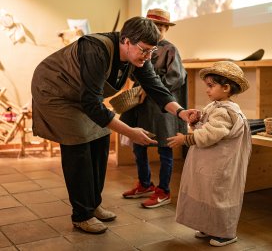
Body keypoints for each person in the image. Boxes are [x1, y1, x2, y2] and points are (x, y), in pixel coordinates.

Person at [31, 16, 197, 234]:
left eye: (151, 52)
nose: (148, 57)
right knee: (78, 146)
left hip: (81, 97)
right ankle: (82, 215)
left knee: (100, 139)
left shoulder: (138, 57)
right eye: (144, 51)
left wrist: (182, 112)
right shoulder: (95, 50)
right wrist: (130, 132)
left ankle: (93, 204)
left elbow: (155, 87)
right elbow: (92, 104)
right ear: (126, 41)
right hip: (54, 91)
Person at [167, 61, 252, 247]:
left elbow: (212, 134)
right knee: (206, 192)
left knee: (218, 195)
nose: (207, 90)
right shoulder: (215, 106)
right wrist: (196, 120)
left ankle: (225, 232)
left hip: (220, 163)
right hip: (211, 161)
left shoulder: (224, 110)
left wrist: (187, 139)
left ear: (226, 87)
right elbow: (206, 127)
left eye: (211, 86)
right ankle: (208, 225)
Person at [121, 8, 188, 208]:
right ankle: (144, 183)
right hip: (141, 106)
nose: (157, 30)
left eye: (160, 26)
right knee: (139, 143)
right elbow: (134, 72)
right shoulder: (138, 46)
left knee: (164, 148)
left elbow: (177, 77)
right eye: (153, 25)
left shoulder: (170, 49)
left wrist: (151, 88)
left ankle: (164, 190)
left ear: (166, 28)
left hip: (162, 108)